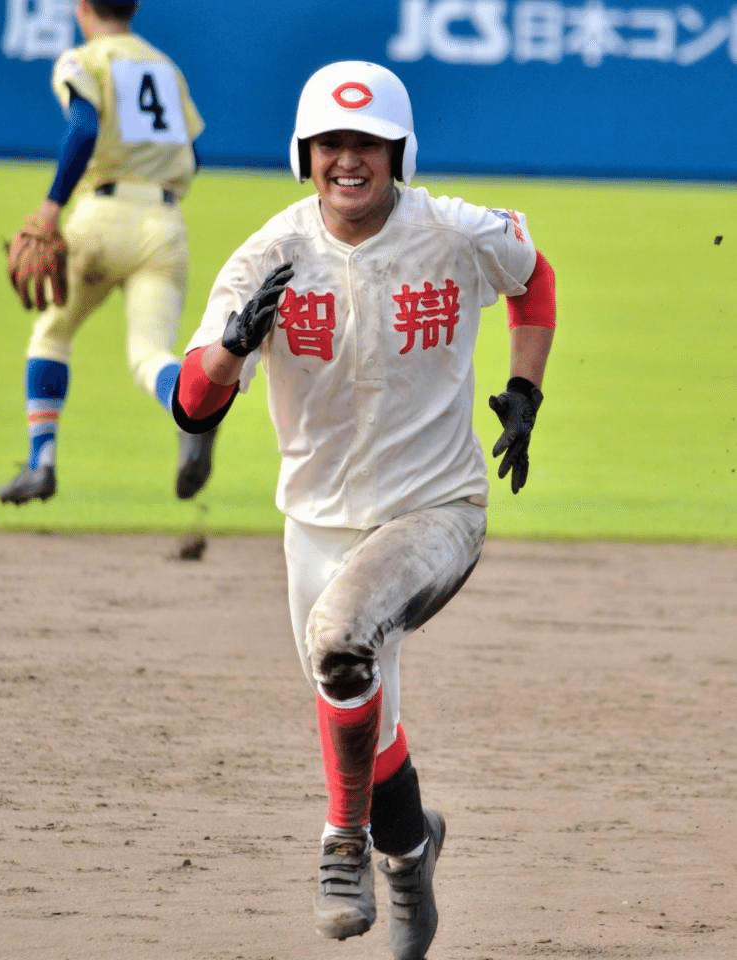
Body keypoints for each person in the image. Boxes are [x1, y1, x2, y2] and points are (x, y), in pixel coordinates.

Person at [173, 60, 556, 959]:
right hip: (316, 521)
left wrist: (524, 388)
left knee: (341, 640)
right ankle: (412, 857)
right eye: (332, 144)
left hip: (437, 509)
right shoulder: (268, 255)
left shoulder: (454, 232)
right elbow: (193, 404)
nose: (350, 161)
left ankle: (341, 843)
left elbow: (533, 278)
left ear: (400, 152)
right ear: (304, 153)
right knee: (360, 704)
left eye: (369, 144)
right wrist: (233, 347)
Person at [0, 0, 218, 506]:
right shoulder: (164, 66)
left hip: (102, 217)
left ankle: (41, 463)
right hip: (165, 224)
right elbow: (194, 154)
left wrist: (53, 205)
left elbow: (83, 126)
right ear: (134, 7)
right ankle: (191, 410)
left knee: (52, 335)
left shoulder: (84, 59)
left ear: (81, 8)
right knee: (149, 355)